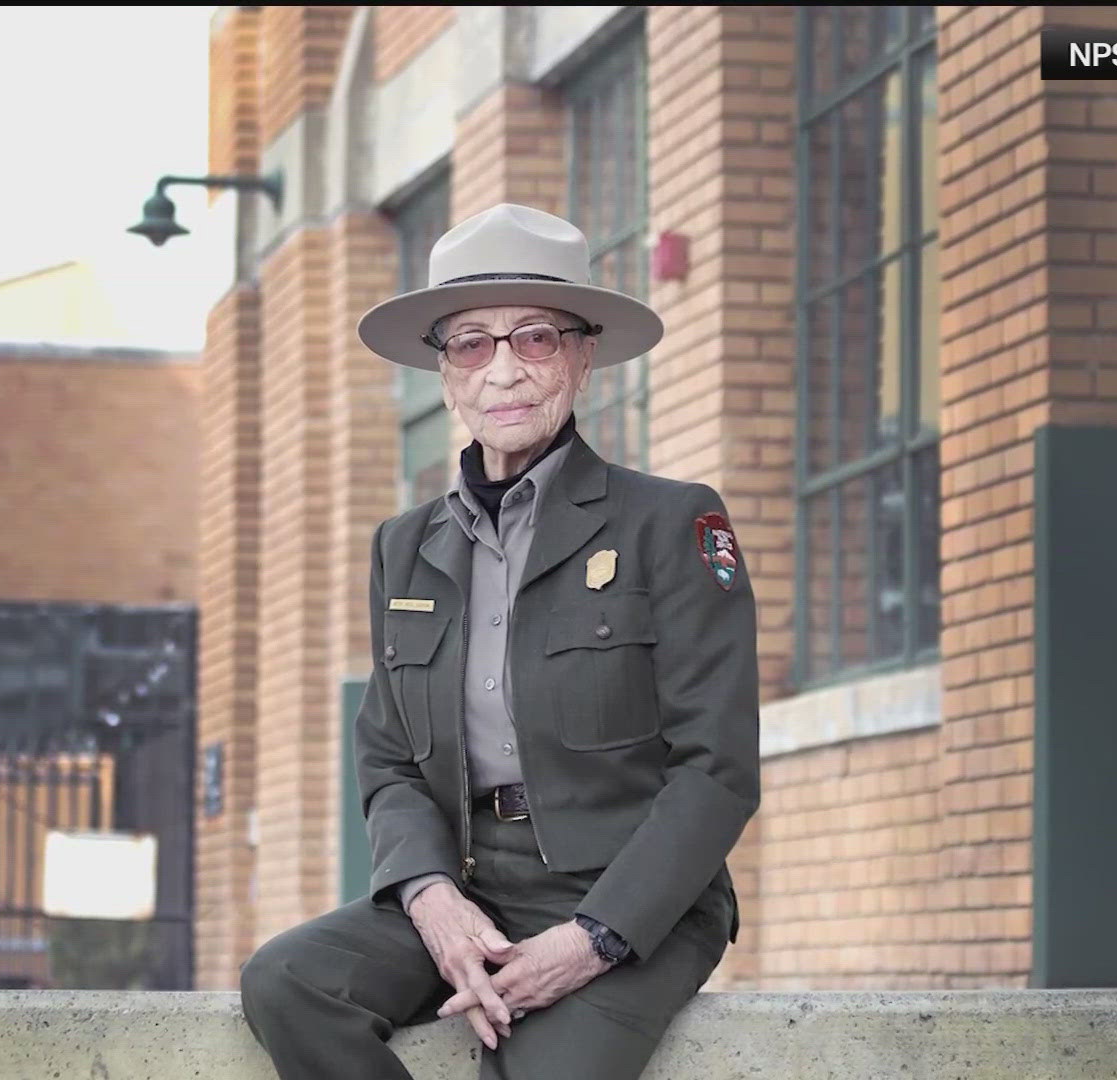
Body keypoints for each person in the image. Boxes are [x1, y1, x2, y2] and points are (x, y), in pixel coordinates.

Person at [238, 203, 760, 1080]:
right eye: (472, 344)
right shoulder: (402, 546)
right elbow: (391, 760)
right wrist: (432, 897)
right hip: (470, 885)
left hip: (629, 896)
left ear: (584, 358)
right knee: (289, 982)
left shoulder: (671, 521)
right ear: (445, 374)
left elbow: (717, 770)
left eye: (537, 339)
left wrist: (593, 939)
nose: (504, 370)